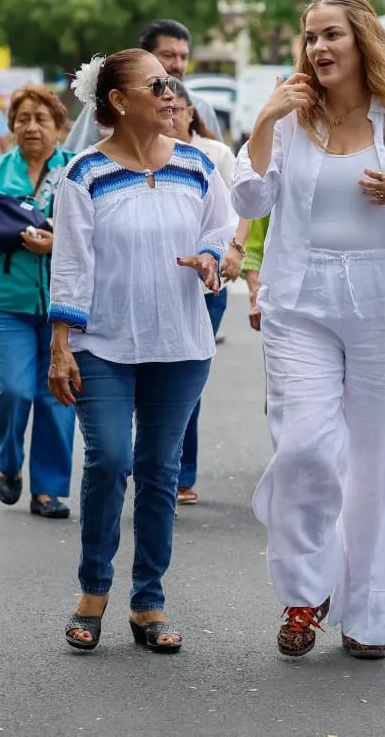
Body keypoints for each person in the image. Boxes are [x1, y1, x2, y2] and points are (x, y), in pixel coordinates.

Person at [233, 0, 385, 659]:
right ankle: (306, 591)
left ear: (361, 40)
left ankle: (368, 616)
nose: (318, 47)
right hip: (300, 304)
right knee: (305, 446)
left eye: (330, 34)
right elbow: (250, 198)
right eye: (309, 36)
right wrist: (261, 122)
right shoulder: (289, 120)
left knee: (380, 467)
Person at [48, 48, 233, 655]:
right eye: (156, 83)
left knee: (159, 471)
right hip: (101, 343)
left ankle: (147, 602)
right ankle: (92, 591)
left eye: (172, 82)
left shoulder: (196, 166)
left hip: (180, 345)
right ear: (119, 101)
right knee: (109, 460)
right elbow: (71, 264)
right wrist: (61, 346)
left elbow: (221, 230)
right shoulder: (84, 174)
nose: (170, 92)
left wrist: (211, 257)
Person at [0, 84, 77, 519]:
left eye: (42, 119)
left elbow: (91, 235)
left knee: (58, 395)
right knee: (13, 390)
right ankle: (8, 460)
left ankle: (48, 489)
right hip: (8, 302)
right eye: (23, 119)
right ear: (12, 128)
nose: (32, 127)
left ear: (60, 129)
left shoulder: (77, 174)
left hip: (63, 304)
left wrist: (56, 242)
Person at [165, 78, 249, 505]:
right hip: (155, 283)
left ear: (190, 113)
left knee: (186, 376)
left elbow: (240, 207)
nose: (169, 116)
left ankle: (181, 474)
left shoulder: (214, 156)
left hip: (206, 283)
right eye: (162, 107)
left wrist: (232, 250)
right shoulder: (135, 155)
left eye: (177, 109)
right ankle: (153, 463)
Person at [139, 19, 224, 140]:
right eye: (168, 55)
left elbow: (217, 156)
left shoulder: (201, 107)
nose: (177, 65)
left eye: (184, 57)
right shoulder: (122, 106)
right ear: (145, 56)